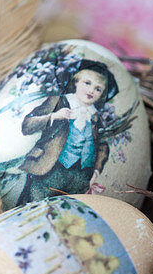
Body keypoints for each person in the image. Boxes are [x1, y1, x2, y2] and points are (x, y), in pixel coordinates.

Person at [17, 58, 118, 203]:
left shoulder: (96, 116)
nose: (91, 91)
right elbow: (27, 126)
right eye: (87, 83)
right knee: (32, 207)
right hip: (49, 169)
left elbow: (102, 145)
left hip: (80, 176)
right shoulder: (58, 102)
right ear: (76, 81)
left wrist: (95, 171)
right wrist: (54, 116)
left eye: (98, 89)